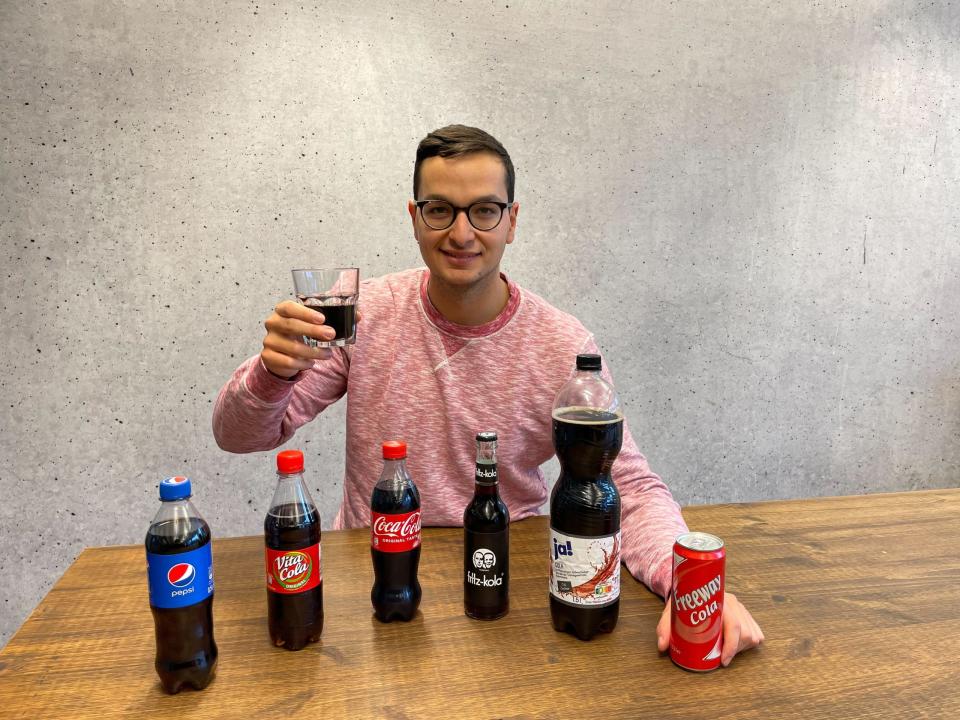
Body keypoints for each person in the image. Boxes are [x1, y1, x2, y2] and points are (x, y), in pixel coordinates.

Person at [213, 124, 763, 665]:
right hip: (378, 575)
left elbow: (629, 487)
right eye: (439, 210)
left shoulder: (562, 345)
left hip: (515, 577)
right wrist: (271, 371)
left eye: (484, 210)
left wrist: (691, 586)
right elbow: (237, 435)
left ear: (512, 221)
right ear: (414, 218)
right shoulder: (362, 313)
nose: (460, 233)